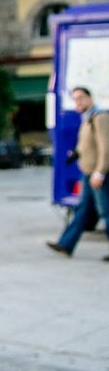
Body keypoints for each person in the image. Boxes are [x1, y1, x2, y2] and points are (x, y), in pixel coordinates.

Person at [47, 85, 109, 259]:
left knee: (106, 212)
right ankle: (66, 244)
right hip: (88, 172)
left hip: (98, 173)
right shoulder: (87, 118)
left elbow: (106, 147)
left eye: (81, 97)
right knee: (82, 210)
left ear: (90, 98)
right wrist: (75, 154)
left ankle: (66, 243)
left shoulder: (99, 117)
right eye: (75, 99)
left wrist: (100, 172)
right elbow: (87, 144)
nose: (78, 102)